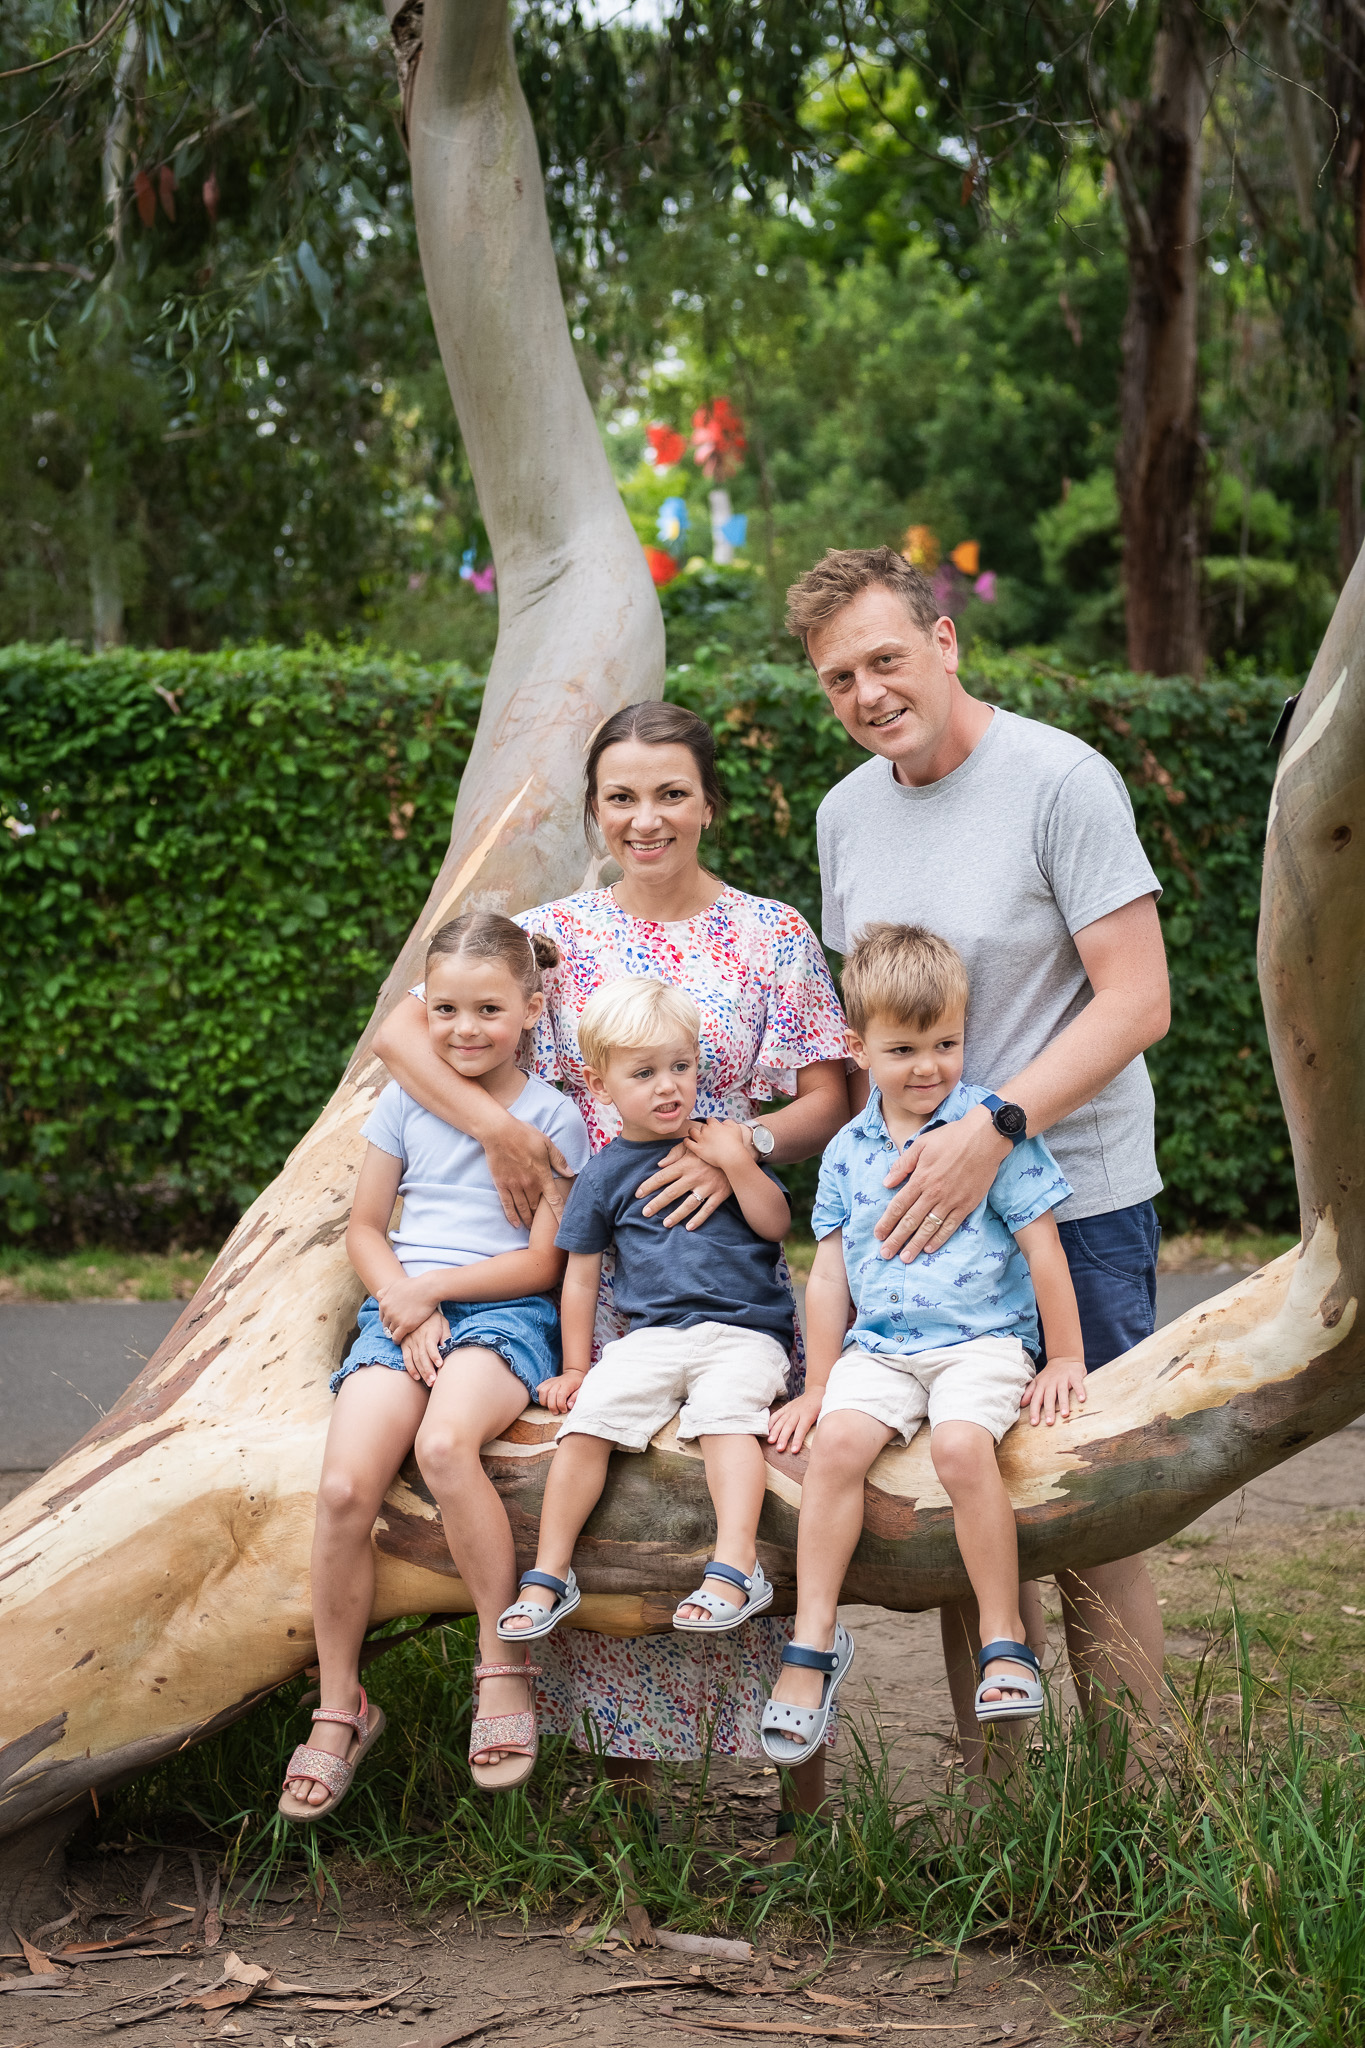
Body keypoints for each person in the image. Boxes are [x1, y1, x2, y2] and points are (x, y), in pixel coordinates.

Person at [371, 700, 850, 1835]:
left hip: (730, 1269)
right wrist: (494, 1131)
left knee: (755, 1491)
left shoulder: (771, 931)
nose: (647, 817)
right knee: (614, 1501)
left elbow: (833, 1090)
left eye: (670, 791)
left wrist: (746, 1146)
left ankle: (805, 1804)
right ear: (595, 807)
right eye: (623, 795)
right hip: (598, 1262)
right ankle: (626, 1813)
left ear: (707, 802)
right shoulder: (549, 934)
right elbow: (402, 1029)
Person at [788, 545, 1170, 1773]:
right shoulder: (846, 811)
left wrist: (989, 1129)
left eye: (886, 658)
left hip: (1073, 1201)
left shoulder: (1062, 778)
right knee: (952, 1492)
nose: (868, 693)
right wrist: (855, 1195)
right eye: (839, 677)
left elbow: (1137, 1000)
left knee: (1091, 1496)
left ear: (945, 642)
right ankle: (1007, 1806)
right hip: (912, 1222)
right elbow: (867, 1028)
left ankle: (1137, 1800)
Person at [278, 912, 590, 1820]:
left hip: (503, 1314)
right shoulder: (404, 1103)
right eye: (445, 1008)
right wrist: (402, 1302)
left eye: (488, 1009)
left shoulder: (551, 1115)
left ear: (531, 1010)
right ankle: (341, 1702)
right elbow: (366, 1230)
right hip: (402, 1308)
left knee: (448, 1445)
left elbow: (544, 1262)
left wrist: (430, 1294)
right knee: (343, 1489)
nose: (463, 1029)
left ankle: (503, 1665)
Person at [763, 924, 1086, 1763]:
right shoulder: (845, 1153)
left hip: (980, 1343)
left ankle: (1004, 1640)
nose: (926, 1066)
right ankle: (812, 1643)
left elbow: (1042, 1250)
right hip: (881, 1350)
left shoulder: (988, 1129)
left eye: (944, 1042)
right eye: (901, 1048)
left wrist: (1064, 1357)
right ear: (856, 1047)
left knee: (959, 1446)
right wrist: (816, 1383)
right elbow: (828, 1276)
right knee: (834, 1446)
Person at [499, 977, 795, 1644]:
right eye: (644, 1073)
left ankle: (735, 1566)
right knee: (585, 1427)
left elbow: (775, 1224)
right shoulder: (604, 1172)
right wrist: (577, 1367)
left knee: (726, 1419)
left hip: (742, 1331)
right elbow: (579, 1279)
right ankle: (550, 1572)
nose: (668, 1086)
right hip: (651, 1337)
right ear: (600, 1084)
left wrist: (738, 1162)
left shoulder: (722, 1142)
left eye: (680, 1067)